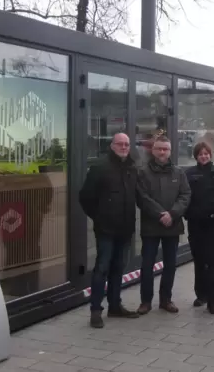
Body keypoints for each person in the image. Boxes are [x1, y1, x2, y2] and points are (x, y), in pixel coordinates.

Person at [79, 133, 140, 328]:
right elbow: (85, 197)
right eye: (120, 144)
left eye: (127, 144)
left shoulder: (131, 167)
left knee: (119, 268)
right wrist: (98, 216)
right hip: (106, 228)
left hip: (125, 228)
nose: (123, 147)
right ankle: (95, 310)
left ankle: (115, 305)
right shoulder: (100, 167)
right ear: (112, 146)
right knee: (102, 268)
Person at [136, 136, 191, 314]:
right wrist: (160, 214)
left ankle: (166, 300)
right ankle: (145, 301)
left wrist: (172, 214)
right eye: (159, 149)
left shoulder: (178, 172)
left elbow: (185, 195)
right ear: (153, 150)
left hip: (172, 226)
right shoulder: (143, 172)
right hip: (151, 226)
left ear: (170, 151)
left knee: (170, 264)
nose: (162, 152)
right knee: (147, 265)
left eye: (165, 149)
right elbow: (142, 198)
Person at [184, 141, 214, 314]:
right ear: (195, 156)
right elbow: (184, 197)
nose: (203, 156)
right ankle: (201, 295)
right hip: (196, 224)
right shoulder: (188, 174)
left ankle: (213, 299)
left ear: (210, 155)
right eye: (200, 154)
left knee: (213, 262)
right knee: (198, 260)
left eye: (206, 153)